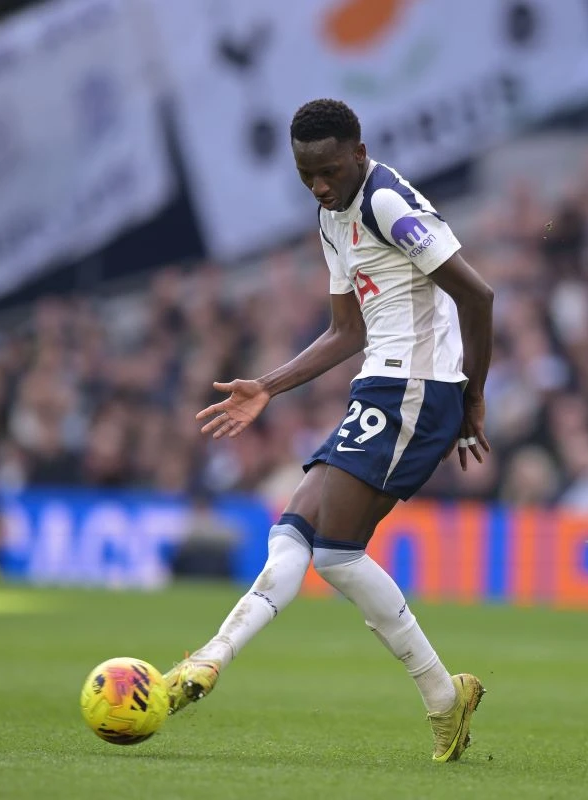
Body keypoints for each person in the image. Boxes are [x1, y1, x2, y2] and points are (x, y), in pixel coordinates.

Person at [165, 99, 495, 763]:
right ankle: (438, 695)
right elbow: (348, 330)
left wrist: (471, 398)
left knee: (332, 547)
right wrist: (268, 384)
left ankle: (207, 662)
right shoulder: (332, 216)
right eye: (304, 172)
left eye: (327, 169)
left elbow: (477, 295)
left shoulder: (386, 204)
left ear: (358, 152)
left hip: (416, 389)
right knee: (300, 536)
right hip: (379, 384)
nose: (317, 183)